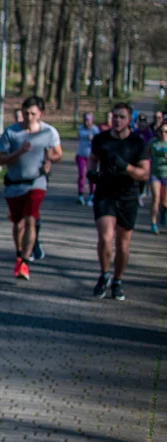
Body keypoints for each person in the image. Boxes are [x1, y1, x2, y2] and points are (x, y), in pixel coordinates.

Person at [88, 101, 152, 300]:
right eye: (115, 116)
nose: (117, 120)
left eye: (122, 117)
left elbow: (144, 174)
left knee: (123, 243)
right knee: (105, 237)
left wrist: (126, 167)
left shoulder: (136, 143)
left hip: (127, 196)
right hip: (105, 193)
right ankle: (104, 274)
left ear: (129, 119)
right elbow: (93, 158)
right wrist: (92, 173)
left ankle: (117, 280)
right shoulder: (101, 139)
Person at [0, 96, 62, 280]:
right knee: (18, 223)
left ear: (40, 114)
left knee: (30, 219)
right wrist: (19, 152)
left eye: (33, 114)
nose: (29, 117)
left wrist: (50, 161)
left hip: (36, 182)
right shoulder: (11, 133)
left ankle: (24, 261)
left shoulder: (49, 132)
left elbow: (58, 154)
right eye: (26, 113)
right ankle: (19, 254)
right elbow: (0, 159)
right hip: (14, 184)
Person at [76, 112, 99, 206]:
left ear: (92, 121)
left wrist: (93, 139)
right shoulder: (80, 128)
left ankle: (92, 194)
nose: (87, 123)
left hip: (91, 156)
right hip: (81, 155)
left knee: (91, 176)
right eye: (85, 120)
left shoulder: (95, 129)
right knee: (82, 175)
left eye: (89, 120)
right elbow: (79, 136)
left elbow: (98, 142)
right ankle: (80, 194)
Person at [150, 121, 167, 234]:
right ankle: (153, 224)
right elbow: (145, 155)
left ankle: (164, 211)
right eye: (161, 131)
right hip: (155, 174)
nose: (163, 133)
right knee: (155, 198)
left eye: (166, 131)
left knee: (165, 202)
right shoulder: (153, 143)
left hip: (166, 174)